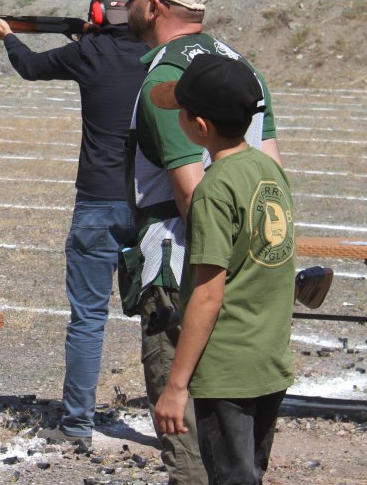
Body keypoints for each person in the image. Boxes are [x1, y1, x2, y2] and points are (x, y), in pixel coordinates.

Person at [118, 0, 281, 485]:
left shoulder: (168, 78)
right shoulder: (242, 66)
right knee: (239, 451)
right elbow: (272, 179)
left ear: (156, 6)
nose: (125, 6)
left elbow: (193, 196)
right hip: (250, 276)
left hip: (189, 276)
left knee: (192, 447)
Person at [0, 0, 147, 447]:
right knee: (161, 314)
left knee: (88, 318)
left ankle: (76, 426)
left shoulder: (88, 54)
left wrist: (6, 35)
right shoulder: (160, 56)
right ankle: (176, 423)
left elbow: (28, 66)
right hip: (152, 203)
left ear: (97, 12)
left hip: (96, 202)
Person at [147, 53, 296, 485]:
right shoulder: (269, 170)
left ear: (200, 127)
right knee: (249, 472)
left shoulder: (213, 191)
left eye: (181, 111)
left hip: (227, 370)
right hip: (267, 360)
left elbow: (208, 293)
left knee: (230, 477)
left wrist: (176, 386)